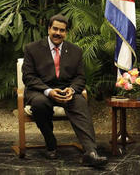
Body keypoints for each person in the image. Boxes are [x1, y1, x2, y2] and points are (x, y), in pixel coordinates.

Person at [22, 14, 107, 167]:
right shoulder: (32, 49)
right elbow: (28, 77)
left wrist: (72, 89)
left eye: (62, 30)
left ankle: (91, 152)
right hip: (41, 91)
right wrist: (48, 91)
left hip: (66, 91)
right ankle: (51, 143)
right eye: (55, 28)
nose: (58, 33)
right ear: (49, 28)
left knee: (80, 101)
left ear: (66, 33)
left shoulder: (75, 51)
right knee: (40, 104)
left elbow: (80, 77)